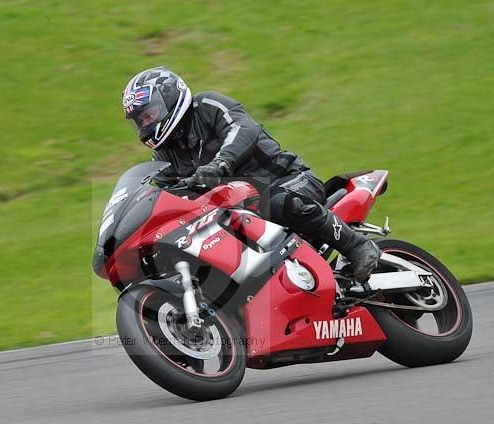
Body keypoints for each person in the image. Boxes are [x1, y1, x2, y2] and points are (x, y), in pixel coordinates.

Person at [122, 67, 380, 282]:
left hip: (287, 179)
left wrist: (221, 164)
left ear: (169, 99)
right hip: (237, 208)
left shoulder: (207, 105)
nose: (146, 125)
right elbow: (163, 196)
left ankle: (357, 245)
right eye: (140, 121)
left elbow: (242, 128)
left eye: (149, 115)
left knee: (273, 201)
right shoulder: (163, 156)